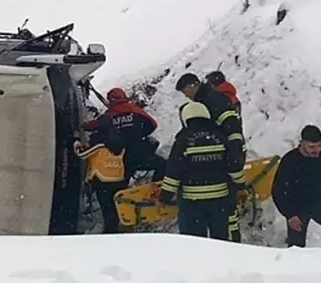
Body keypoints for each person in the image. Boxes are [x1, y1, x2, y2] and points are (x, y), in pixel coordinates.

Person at [157, 101, 241, 242]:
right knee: (221, 240)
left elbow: (174, 170)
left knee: (194, 243)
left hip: (193, 202)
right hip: (219, 200)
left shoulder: (183, 139)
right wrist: (240, 185)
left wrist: (166, 195)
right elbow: (233, 165)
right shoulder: (220, 137)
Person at [272, 124, 321, 247]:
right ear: (302, 143)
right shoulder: (290, 160)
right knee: (296, 248)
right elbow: (277, 190)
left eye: (319, 146)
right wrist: (290, 215)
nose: (316, 150)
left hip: (319, 201)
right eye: (312, 147)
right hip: (296, 207)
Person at [175, 72, 247, 189]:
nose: (186, 96)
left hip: (226, 151)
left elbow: (231, 126)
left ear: (192, 85)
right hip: (220, 151)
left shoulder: (213, 99)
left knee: (227, 186)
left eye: (185, 91)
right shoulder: (207, 99)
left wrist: (234, 150)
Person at [84, 87, 165, 181]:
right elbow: (153, 124)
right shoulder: (135, 110)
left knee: (122, 179)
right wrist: (140, 133)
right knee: (163, 165)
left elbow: (93, 126)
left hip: (119, 158)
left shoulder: (108, 115)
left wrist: (83, 126)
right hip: (139, 151)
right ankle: (156, 186)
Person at [74, 115, 126, 234]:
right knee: (114, 208)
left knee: (107, 209)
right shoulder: (119, 141)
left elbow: (82, 154)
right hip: (118, 178)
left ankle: (109, 233)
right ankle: (114, 229)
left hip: (102, 179)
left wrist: (76, 143)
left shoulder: (99, 142)